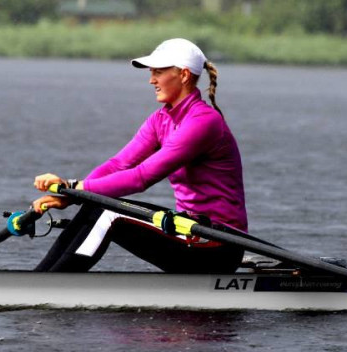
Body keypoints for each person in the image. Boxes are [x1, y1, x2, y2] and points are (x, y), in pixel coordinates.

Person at [32, 38, 247, 273]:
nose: (151, 79)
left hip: (218, 244)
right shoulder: (160, 120)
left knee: (108, 212)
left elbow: (142, 177)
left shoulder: (203, 122)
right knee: (96, 205)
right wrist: (73, 194)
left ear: (184, 75)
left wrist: (76, 188)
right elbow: (119, 164)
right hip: (189, 231)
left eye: (158, 72)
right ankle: (41, 278)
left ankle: (53, 284)